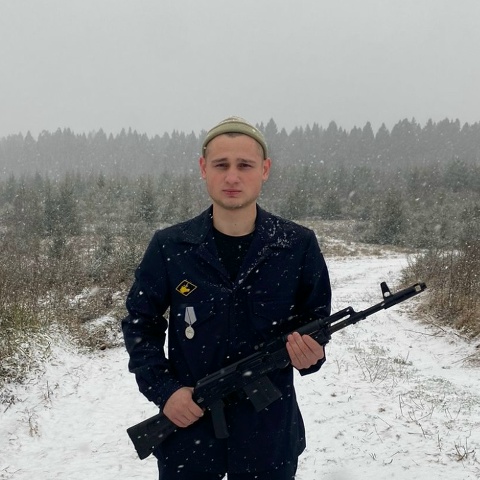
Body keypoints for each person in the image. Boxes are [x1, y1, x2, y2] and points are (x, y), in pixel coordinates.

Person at [122, 116, 332, 480]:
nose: (232, 177)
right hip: (189, 436)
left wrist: (311, 357)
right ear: (203, 169)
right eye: (221, 165)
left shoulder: (296, 246)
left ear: (265, 170)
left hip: (269, 437)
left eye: (245, 165)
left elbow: (316, 325)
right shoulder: (171, 246)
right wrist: (166, 391)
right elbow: (141, 325)